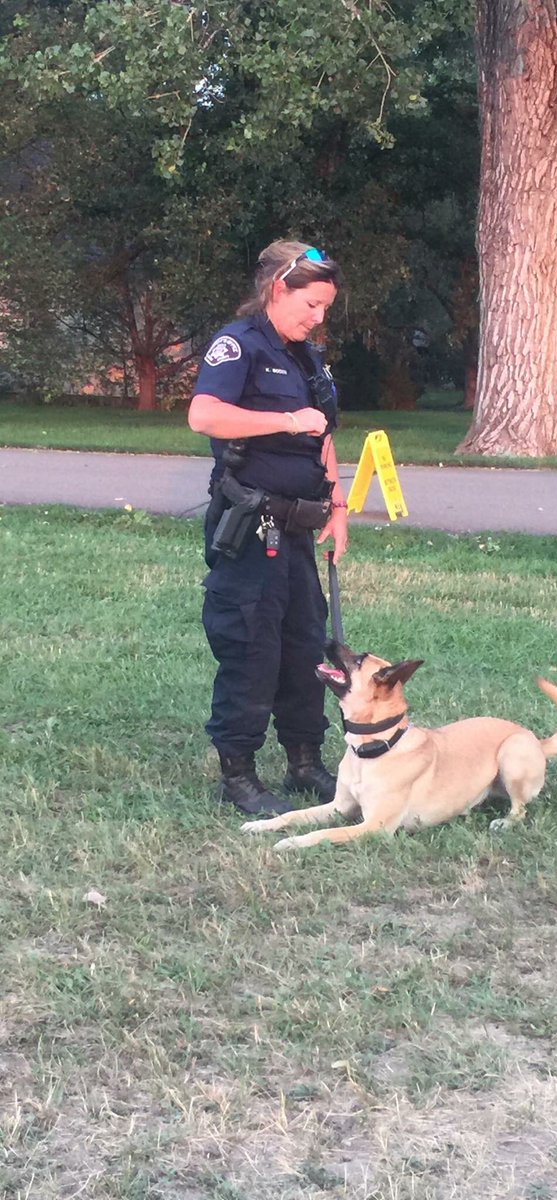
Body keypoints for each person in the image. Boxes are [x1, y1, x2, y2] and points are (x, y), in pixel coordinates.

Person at [188, 240, 349, 816]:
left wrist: (338, 506)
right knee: (252, 647)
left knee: (308, 645)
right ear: (279, 288)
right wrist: (284, 418)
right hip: (250, 526)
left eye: (326, 307)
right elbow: (203, 414)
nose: (318, 316)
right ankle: (240, 774)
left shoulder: (309, 356)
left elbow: (323, 434)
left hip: (301, 526)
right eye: (311, 303)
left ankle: (305, 762)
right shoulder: (240, 345)